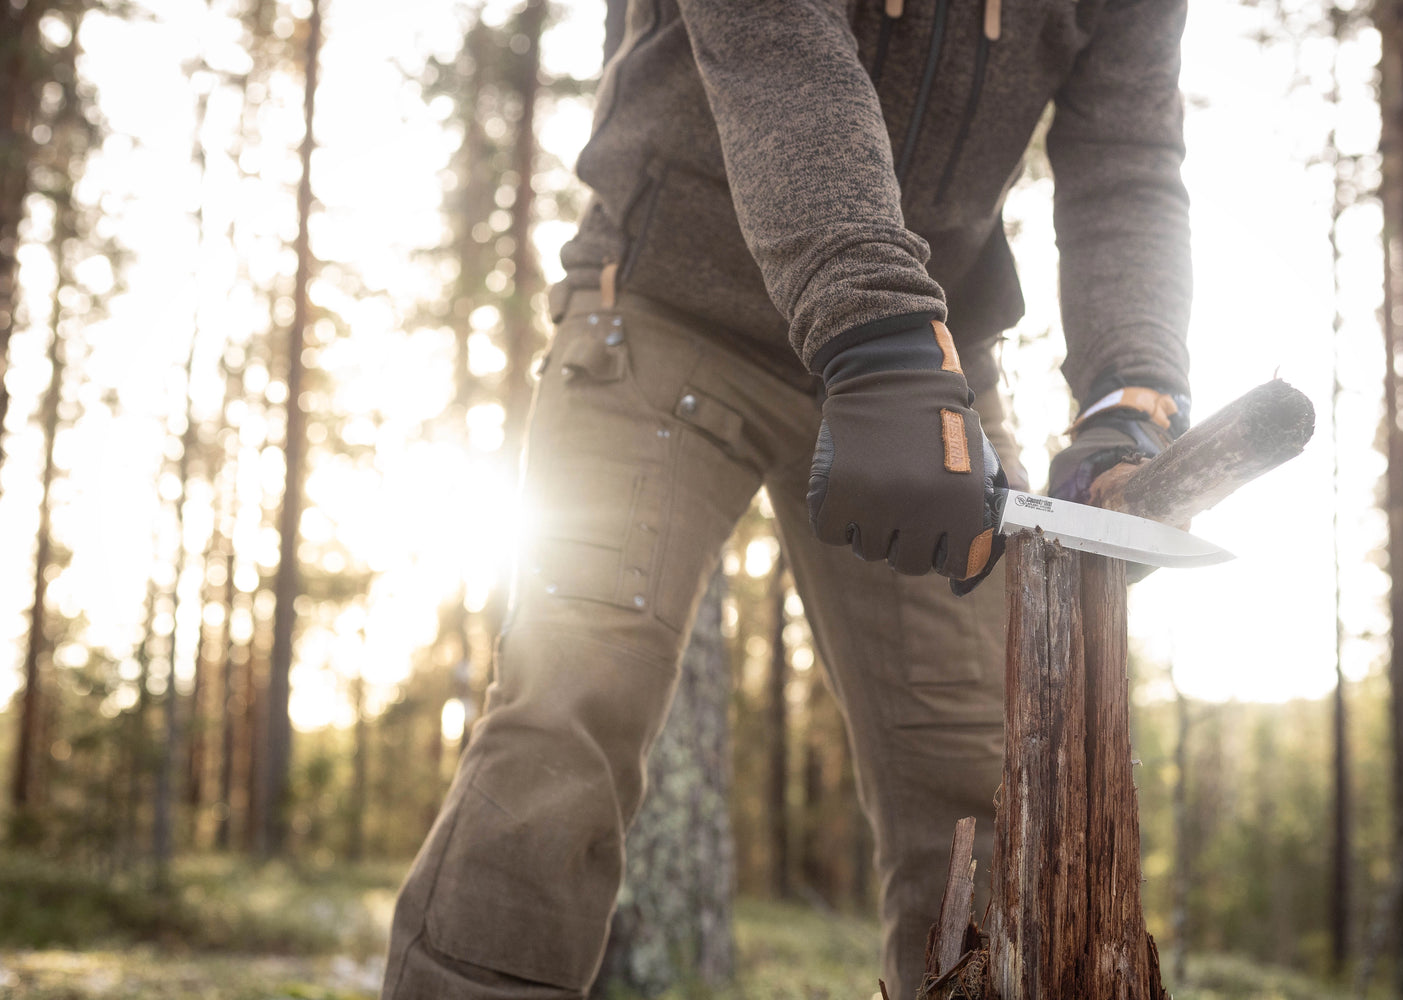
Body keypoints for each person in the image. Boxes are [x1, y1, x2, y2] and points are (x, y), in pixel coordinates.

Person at [382, 0, 1192, 997]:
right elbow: (776, 44)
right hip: (675, 302)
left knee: (983, 787)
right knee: (568, 724)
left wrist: (1132, 395)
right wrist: (874, 328)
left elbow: (1128, 155)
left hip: (925, 352)